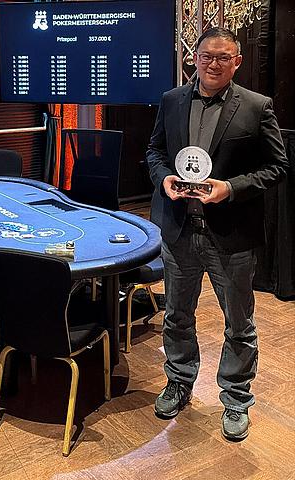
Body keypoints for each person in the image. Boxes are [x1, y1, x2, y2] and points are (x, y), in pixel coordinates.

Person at [146, 27, 288, 440]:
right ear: (195, 58)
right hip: (179, 231)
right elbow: (155, 151)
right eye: (207, 56)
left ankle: (237, 398)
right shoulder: (172, 100)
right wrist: (163, 179)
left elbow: (277, 167)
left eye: (223, 57)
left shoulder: (257, 106)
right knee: (176, 315)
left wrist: (230, 188)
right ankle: (179, 381)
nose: (213, 64)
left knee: (239, 324)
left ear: (236, 62)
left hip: (231, 236)